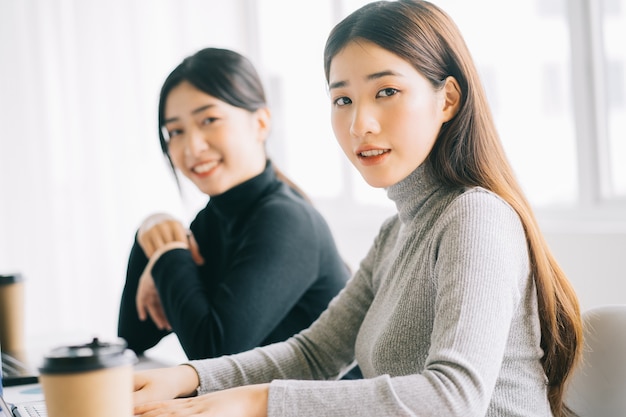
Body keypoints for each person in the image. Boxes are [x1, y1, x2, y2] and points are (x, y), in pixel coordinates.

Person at [131, 1, 583, 416]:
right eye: (342, 99)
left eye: (386, 91)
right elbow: (314, 353)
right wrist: (184, 378)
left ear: (446, 99)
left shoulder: (476, 216)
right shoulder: (396, 233)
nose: (359, 124)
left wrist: (257, 401)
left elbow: (453, 398)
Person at [117, 47, 355, 368]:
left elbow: (214, 353)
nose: (192, 147)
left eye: (209, 120)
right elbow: (133, 336)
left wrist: (168, 253)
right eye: (176, 131)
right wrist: (151, 228)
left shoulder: (286, 220)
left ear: (261, 123)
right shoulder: (211, 219)